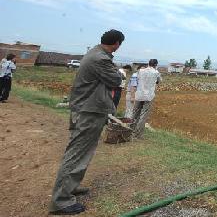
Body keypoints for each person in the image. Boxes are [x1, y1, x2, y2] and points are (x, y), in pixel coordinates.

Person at [49, 30, 124, 215]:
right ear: (117, 43)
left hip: (87, 109)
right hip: (89, 111)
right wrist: (117, 72)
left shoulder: (94, 53)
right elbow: (116, 79)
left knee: (82, 152)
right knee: (77, 153)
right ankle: (61, 201)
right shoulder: (101, 59)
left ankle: (70, 187)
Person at [131, 59, 161, 139]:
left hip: (139, 94)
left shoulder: (140, 71)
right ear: (156, 65)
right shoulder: (156, 72)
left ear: (148, 64)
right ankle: (138, 134)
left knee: (135, 113)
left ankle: (130, 130)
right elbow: (158, 81)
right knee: (143, 115)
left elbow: (136, 80)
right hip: (148, 96)